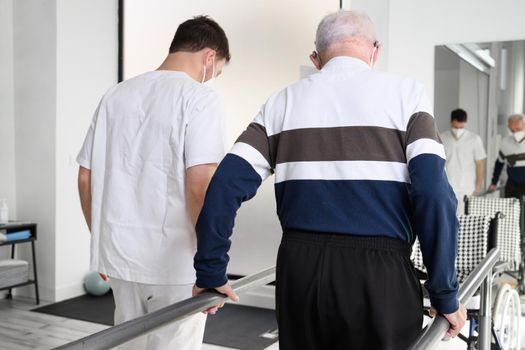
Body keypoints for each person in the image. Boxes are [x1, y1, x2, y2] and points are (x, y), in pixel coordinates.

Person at [192, 10, 466, 350]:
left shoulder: (281, 102)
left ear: (316, 58)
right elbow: (434, 194)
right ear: (374, 51)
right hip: (378, 273)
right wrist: (445, 293)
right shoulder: (407, 96)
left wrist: (210, 271)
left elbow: (224, 187)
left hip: (299, 269)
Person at [77, 16, 230, 350]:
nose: (212, 80)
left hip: (120, 256)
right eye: (216, 71)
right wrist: (211, 264)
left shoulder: (115, 95)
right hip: (174, 263)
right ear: (208, 57)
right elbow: (199, 184)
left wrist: (102, 244)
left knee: (127, 344)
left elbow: (85, 177)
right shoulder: (200, 98)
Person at [440, 108, 486, 214]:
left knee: (466, 218)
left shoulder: (474, 139)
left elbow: (479, 163)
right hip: (448, 184)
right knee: (448, 215)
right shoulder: (442, 138)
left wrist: (478, 185)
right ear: (451, 122)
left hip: (468, 186)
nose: (458, 130)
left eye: (461, 127)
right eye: (456, 127)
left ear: (466, 123)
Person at [489, 114, 525, 198]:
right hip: (512, 185)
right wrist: (494, 182)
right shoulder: (505, 142)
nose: (516, 133)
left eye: (519, 129)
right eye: (513, 130)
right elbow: (499, 163)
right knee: (510, 210)